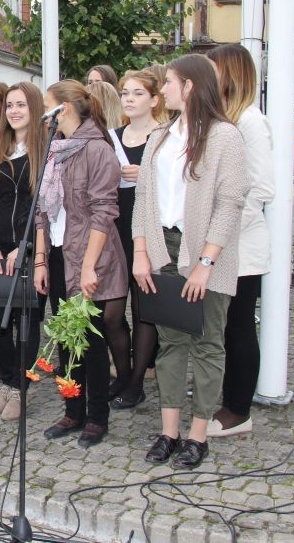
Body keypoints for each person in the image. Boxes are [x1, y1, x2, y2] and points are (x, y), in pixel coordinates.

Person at [133, 54, 249, 470]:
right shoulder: (160, 137)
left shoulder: (224, 137)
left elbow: (231, 202)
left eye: (168, 82)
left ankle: (197, 436)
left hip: (205, 252)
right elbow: (144, 199)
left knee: (207, 343)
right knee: (171, 342)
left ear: (190, 86)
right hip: (163, 248)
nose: (162, 89)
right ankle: (169, 432)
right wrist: (141, 252)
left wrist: (205, 262)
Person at [34, 81, 128, 448]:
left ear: (65, 109)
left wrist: (89, 267)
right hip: (58, 255)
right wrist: (41, 259)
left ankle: (97, 417)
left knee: (89, 342)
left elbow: (104, 212)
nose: (44, 115)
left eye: (47, 107)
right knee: (65, 340)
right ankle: (72, 410)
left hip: (90, 257)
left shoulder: (98, 149)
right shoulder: (55, 149)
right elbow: (42, 209)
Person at [205, 43, 275, 438]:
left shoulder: (250, 121)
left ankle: (238, 408)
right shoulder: (225, 120)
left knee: (239, 325)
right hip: (221, 242)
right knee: (223, 325)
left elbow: (261, 188)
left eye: (213, 69)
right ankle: (228, 394)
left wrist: (223, 226)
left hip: (241, 245)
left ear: (230, 73)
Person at [0, 82, 47, 422]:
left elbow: (44, 206)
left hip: (32, 251)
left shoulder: (46, 150)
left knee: (26, 321)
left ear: (35, 108)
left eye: (21, 105)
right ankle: (7, 381)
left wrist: (26, 245)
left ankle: (20, 390)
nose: (15, 111)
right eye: (10, 106)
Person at [108, 68, 167, 410]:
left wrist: (147, 175)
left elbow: (181, 186)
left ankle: (135, 383)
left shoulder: (165, 137)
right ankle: (124, 372)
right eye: (125, 93)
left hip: (148, 231)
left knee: (146, 312)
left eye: (137, 93)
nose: (129, 99)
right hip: (116, 232)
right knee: (112, 313)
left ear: (155, 100)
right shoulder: (114, 135)